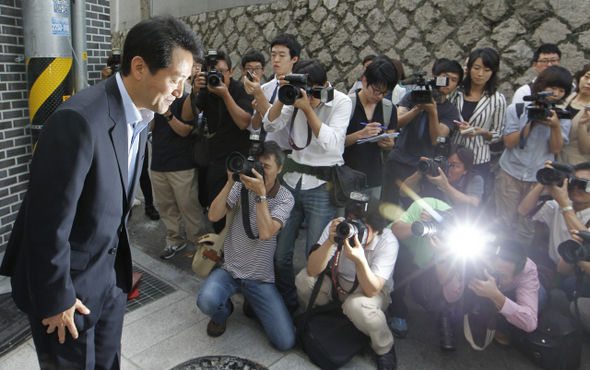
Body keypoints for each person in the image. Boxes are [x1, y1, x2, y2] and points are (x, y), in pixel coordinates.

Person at [0, 16, 202, 369]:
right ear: (139, 67)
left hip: (109, 280)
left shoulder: (141, 115)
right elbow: (46, 222)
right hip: (66, 290)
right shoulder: (78, 120)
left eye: (184, 81)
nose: (180, 91)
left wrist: (115, 281)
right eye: (175, 79)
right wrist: (57, 298)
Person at [263, 59, 352, 313]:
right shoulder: (296, 98)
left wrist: (308, 109)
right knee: (280, 253)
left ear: (325, 85)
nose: (307, 97)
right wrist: (284, 96)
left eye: (313, 91)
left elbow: (333, 144)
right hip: (292, 183)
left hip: (323, 188)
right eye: (303, 90)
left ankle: (313, 309)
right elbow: (270, 125)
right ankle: (289, 303)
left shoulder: (342, 101)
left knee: (316, 253)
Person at [197, 141, 295, 350]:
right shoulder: (241, 187)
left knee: (285, 342)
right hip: (229, 270)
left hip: (260, 278)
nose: (259, 171)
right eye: (256, 165)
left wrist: (260, 195)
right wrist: (230, 182)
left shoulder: (285, 197)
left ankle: (252, 300)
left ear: (279, 168)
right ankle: (223, 312)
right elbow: (214, 215)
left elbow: (266, 233)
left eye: (266, 167)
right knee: (206, 302)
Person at [295, 198, 399, 369]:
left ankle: (384, 347)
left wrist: (360, 261)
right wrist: (330, 241)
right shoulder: (340, 228)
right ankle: (326, 320)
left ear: (378, 230)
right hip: (338, 283)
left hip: (371, 291)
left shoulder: (388, 241)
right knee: (304, 280)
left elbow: (373, 290)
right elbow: (312, 270)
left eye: (364, 228)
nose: (355, 231)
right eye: (354, 222)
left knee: (357, 306)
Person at [495, 66, 572, 243]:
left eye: (562, 90)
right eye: (553, 88)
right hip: (510, 173)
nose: (556, 93)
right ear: (541, 86)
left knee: (527, 227)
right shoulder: (517, 110)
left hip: (537, 178)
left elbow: (556, 149)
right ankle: (498, 259)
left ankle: (522, 265)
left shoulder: (562, 116)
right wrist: (533, 123)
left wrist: (555, 126)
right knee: (503, 222)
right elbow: (509, 142)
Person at [182, 50, 254, 233]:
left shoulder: (241, 89)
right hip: (216, 159)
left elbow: (244, 122)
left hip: (240, 157)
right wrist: (194, 91)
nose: (217, 77)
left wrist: (225, 95)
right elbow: (186, 115)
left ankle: (237, 245)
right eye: (212, 72)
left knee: (240, 207)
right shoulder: (207, 91)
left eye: (222, 72)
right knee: (217, 206)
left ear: (231, 71)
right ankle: (220, 246)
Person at [382, 59, 462, 206]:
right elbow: (397, 122)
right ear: (434, 76)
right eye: (444, 77)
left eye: (454, 80)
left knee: (412, 209)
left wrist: (432, 112)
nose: (448, 83)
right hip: (398, 159)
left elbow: (436, 140)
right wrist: (417, 108)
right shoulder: (413, 96)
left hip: (421, 166)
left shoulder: (450, 110)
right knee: (388, 204)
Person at [436, 238, 541, 349]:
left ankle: (502, 326)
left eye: (503, 276)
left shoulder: (527, 272)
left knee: (541, 298)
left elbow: (530, 323)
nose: (495, 278)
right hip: (478, 277)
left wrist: (496, 296)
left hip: (512, 291)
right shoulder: (479, 257)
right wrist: (464, 273)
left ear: (517, 275)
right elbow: (449, 296)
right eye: (495, 271)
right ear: (490, 260)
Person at [102, 52, 161, 221]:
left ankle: (148, 204)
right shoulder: (105, 88)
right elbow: (104, 100)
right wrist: (104, 78)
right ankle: (123, 207)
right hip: (116, 133)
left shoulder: (141, 98)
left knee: (141, 171)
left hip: (137, 129)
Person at [151, 91, 208, 260]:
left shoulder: (185, 98)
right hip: (158, 162)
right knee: (166, 207)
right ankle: (174, 240)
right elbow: (151, 127)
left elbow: (185, 131)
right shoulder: (155, 97)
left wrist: (166, 113)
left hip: (182, 164)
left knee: (189, 207)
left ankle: (200, 245)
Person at [387, 197, 452, 339]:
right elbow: (394, 231)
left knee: (424, 297)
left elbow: (444, 279)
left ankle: (440, 311)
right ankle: (397, 310)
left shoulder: (465, 238)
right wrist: (418, 226)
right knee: (399, 253)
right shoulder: (427, 205)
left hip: (428, 265)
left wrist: (442, 254)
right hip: (405, 255)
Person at [343, 55, 398, 199]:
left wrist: (387, 144)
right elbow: (335, 142)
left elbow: (391, 144)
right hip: (345, 179)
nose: (379, 96)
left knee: (370, 220)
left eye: (385, 92)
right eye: (376, 90)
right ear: (365, 80)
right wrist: (360, 134)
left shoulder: (388, 108)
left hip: (374, 179)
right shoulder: (346, 104)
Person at [449, 48, 506, 185]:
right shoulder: (456, 93)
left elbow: (498, 133)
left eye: (486, 70)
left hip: (478, 158)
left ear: (493, 72)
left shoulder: (497, 99)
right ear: (468, 69)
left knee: (474, 198)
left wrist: (484, 132)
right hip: (452, 155)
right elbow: (444, 119)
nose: (480, 74)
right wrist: (457, 127)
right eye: (476, 68)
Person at [518, 161, 590, 266]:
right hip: (551, 262)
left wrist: (564, 203)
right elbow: (523, 210)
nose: (576, 187)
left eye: (584, 183)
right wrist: (545, 180)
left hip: (577, 274)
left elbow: (586, 241)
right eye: (573, 182)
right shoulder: (561, 202)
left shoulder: (563, 202)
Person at [245, 33, 301, 151]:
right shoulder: (265, 87)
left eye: (281, 55)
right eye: (273, 55)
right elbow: (255, 127)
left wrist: (259, 94)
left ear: (294, 59)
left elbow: (275, 123)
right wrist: (257, 112)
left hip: (288, 151)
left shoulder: (297, 89)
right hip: (266, 149)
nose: (276, 60)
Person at [400, 144, 484, 206]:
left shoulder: (474, 179)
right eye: (446, 163)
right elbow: (403, 192)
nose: (448, 169)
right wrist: (420, 171)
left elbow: (473, 203)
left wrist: (444, 186)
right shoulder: (433, 173)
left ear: (465, 170)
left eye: (454, 166)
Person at [558, 64, 590, 165]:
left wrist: (582, 125)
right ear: (579, 77)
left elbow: (585, 149)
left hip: (575, 165)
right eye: (587, 77)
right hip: (551, 160)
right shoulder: (564, 99)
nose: (588, 82)